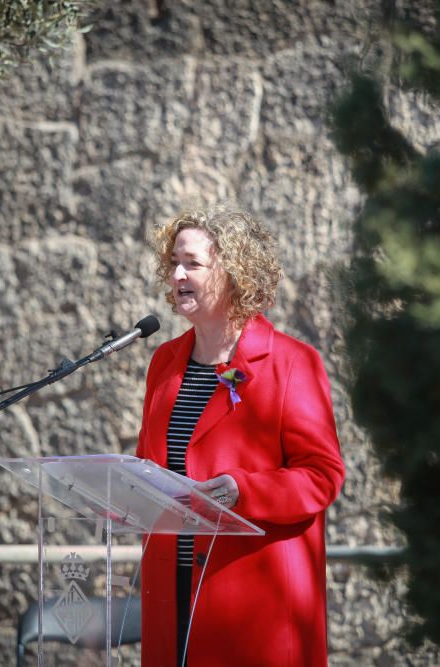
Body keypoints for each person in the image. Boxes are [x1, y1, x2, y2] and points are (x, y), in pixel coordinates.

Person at [135, 204, 346, 666]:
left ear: (234, 273)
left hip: (253, 604)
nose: (176, 275)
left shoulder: (291, 363)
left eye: (192, 263)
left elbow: (322, 474)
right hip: (172, 594)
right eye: (173, 262)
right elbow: (152, 467)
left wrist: (241, 489)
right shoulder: (164, 363)